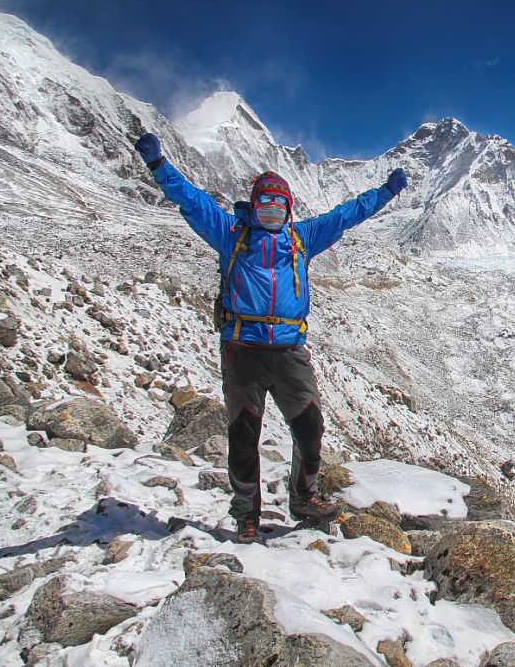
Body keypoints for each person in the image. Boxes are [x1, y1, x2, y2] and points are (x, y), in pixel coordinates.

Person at [134, 132, 408, 544]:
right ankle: (247, 514)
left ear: (289, 208)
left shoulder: (302, 238)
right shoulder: (231, 233)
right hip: (243, 348)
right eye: (265, 203)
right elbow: (190, 199)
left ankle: (304, 497)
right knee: (244, 435)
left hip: (288, 350)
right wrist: (159, 167)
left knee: (310, 426)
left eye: (279, 204)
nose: (272, 210)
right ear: (254, 204)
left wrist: (386, 193)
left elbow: (348, 214)